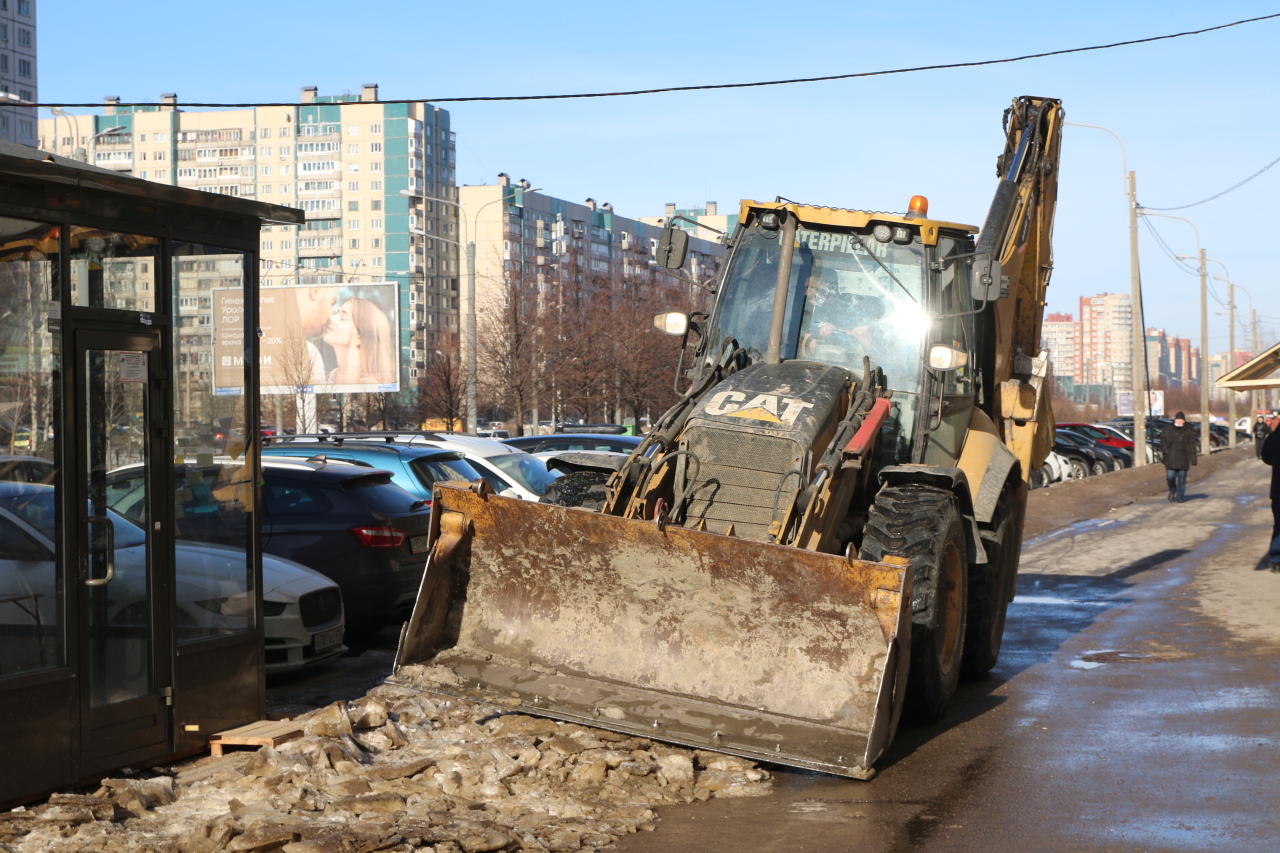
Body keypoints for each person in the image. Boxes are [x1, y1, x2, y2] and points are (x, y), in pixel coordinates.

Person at [322, 297, 396, 385]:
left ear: (360, 338)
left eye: (343, 317)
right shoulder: (327, 378)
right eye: (337, 312)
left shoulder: (370, 388)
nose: (331, 318)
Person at [293, 286, 338, 386]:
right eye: (331, 303)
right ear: (315, 291)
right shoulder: (308, 351)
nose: (330, 316)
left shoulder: (308, 350)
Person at [1159, 411, 1199, 503]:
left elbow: (1191, 446)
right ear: (1175, 420)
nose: (1179, 421)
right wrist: (1166, 451)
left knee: (1182, 479)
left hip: (1183, 459)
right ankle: (1172, 490)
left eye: (1181, 420)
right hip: (1170, 458)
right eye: (1178, 419)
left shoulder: (1188, 431)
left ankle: (1180, 496)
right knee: (1170, 477)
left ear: (1184, 421)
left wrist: (1193, 460)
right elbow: (1162, 441)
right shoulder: (1168, 429)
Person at [1261, 413, 1280, 572]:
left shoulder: (1274, 437)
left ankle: (1276, 560)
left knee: (1279, 525)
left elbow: (1265, 456)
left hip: (1278, 490)